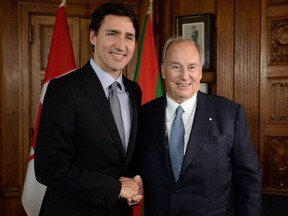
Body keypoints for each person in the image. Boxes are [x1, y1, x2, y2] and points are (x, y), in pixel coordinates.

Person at [34, 2, 143, 216]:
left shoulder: (134, 91)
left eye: (129, 37)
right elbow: (50, 168)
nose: (121, 45)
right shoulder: (63, 89)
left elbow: (122, 155)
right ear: (93, 36)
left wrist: (135, 179)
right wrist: (116, 188)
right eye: (112, 34)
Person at [137, 36, 262, 216]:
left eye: (192, 67)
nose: (184, 75)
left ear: (200, 72)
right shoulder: (144, 115)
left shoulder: (229, 114)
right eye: (176, 66)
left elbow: (249, 177)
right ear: (163, 71)